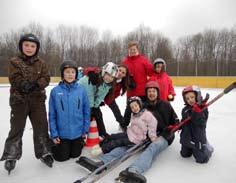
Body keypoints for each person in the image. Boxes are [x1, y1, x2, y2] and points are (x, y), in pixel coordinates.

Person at [76, 80, 179, 183]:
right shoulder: (144, 106)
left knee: (153, 148)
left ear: (158, 92)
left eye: (154, 91)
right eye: (149, 91)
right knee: (126, 143)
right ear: (146, 93)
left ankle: (134, 170)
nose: (151, 93)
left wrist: (168, 130)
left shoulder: (166, 105)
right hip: (145, 135)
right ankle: (102, 162)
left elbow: (175, 122)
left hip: (163, 136)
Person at [0, 33, 53, 174]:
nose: (29, 48)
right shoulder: (14, 61)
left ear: (37, 48)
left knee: (41, 126)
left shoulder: (41, 63)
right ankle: (11, 154)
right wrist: (24, 85)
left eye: (33, 46)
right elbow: (14, 77)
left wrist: (36, 85)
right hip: (19, 101)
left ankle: (44, 152)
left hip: (37, 101)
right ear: (21, 46)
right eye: (26, 45)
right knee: (17, 128)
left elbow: (46, 77)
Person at [48, 61, 90, 162]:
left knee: (75, 155)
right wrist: (54, 134)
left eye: (72, 72)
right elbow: (52, 114)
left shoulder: (81, 90)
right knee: (62, 157)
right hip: (62, 133)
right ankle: (50, 143)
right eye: (67, 72)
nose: (70, 74)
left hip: (77, 132)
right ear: (62, 74)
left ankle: (76, 144)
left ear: (76, 74)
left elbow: (86, 112)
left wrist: (84, 131)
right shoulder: (55, 91)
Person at [90, 96, 157, 156]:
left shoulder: (146, 114)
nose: (134, 108)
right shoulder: (134, 114)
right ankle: (100, 145)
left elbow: (153, 124)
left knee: (118, 142)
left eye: (136, 106)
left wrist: (152, 136)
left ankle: (102, 150)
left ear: (140, 105)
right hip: (130, 133)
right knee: (113, 136)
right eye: (132, 107)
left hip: (137, 139)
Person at [78, 62, 118, 138]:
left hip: (89, 100)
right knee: (87, 114)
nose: (109, 78)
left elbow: (100, 96)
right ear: (103, 72)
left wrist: (96, 105)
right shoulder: (91, 78)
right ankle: (82, 135)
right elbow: (89, 94)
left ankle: (102, 133)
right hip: (79, 98)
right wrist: (92, 107)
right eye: (108, 75)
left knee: (98, 114)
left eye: (112, 77)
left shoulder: (107, 85)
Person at [121, 41, 153, 130]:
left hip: (142, 91)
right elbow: (121, 75)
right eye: (131, 49)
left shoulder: (143, 60)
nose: (132, 51)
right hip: (131, 92)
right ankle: (124, 125)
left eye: (134, 49)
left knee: (144, 110)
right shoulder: (125, 62)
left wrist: (155, 68)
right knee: (128, 110)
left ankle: (145, 126)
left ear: (137, 50)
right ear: (128, 50)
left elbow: (151, 72)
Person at [180, 85, 214, 163]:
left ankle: (207, 148)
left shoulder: (203, 109)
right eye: (187, 98)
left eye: (192, 97)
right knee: (184, 155)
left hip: (197, 139)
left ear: (197, 96)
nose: (190, 100)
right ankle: (190, 148)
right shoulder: (185, 110)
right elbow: (183, 121)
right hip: (186, 138)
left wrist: (197, 112)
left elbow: (201, 123)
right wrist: (178, 125)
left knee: (202, 160)